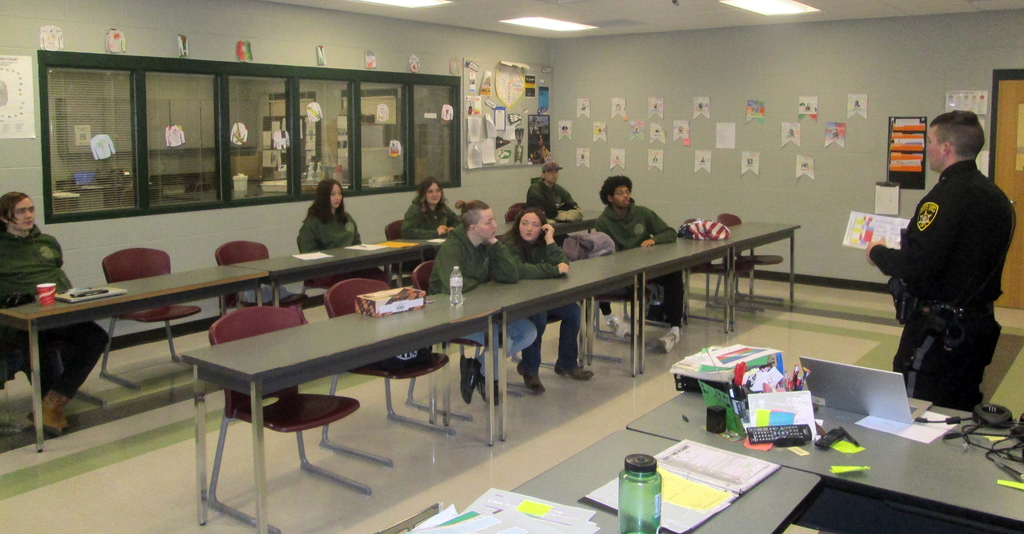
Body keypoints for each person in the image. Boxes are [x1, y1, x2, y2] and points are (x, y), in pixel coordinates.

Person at [867, 111, 1013, 411]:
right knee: (961, 406)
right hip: (977, 326)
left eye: (930, 141)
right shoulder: (996, 196)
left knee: (916, 408)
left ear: (946, 148)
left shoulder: (943, 198)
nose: (927, 148)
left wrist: (877, 253)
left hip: (938, 330)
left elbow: (918, 264)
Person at [0, 192, 108, 436]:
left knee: (95, 336)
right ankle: (49, 409)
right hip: (15, 319)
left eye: (31, 209)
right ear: (4, 217)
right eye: (20, 211)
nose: (28, 215)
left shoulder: (47, 242)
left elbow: (56, 272)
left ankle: (52, 403)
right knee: (36, 341)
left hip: (56, 312)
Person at [428, 200, 537, 404]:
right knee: (500, 340)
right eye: (488, 222)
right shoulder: (452, 247)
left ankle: (477, 367)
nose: (495, 225)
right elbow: (453, 284)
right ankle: (490, 380)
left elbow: (511, 274)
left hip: (480, 308)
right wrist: (478, 283)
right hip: (450, 316)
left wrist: (496, 244)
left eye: (493, 220)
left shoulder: (485, 244)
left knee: (528, 331)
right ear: (473, 228)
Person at [501, 208, 593, 392]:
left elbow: (563, 264)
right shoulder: (509, 244)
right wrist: (552, 270)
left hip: (542, 297)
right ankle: (530, 369)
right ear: (517, 225)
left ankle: (567, 363)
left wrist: (550, 239)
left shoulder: (544, 243)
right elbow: (519, 270)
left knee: (573, 311)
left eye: (535, 225)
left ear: (542, 228)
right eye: (524, 223)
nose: (529, 228)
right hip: (516, 300)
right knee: (539, 317)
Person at [594, 176, 684, 353]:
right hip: (622, 270)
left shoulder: (642, 213)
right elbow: (607, 253)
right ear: (610, 198)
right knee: (602, 276)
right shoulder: (603, 222)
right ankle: (610, 319)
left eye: (627, 192)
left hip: (648, 266)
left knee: (674, 273)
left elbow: (670, 233)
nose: (625, 196)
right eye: (620, 193)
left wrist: (655, 240)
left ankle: (675, 328)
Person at [298, 178, 387, 284]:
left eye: (340, 194)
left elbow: (356, 243)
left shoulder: (346, 218)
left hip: (349, 265)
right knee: (353, 282)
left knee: (379, 277)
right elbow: (308, 253)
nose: (338, 198)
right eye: (332, 194)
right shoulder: (313, 222)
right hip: (327, 269)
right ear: (323, 197)